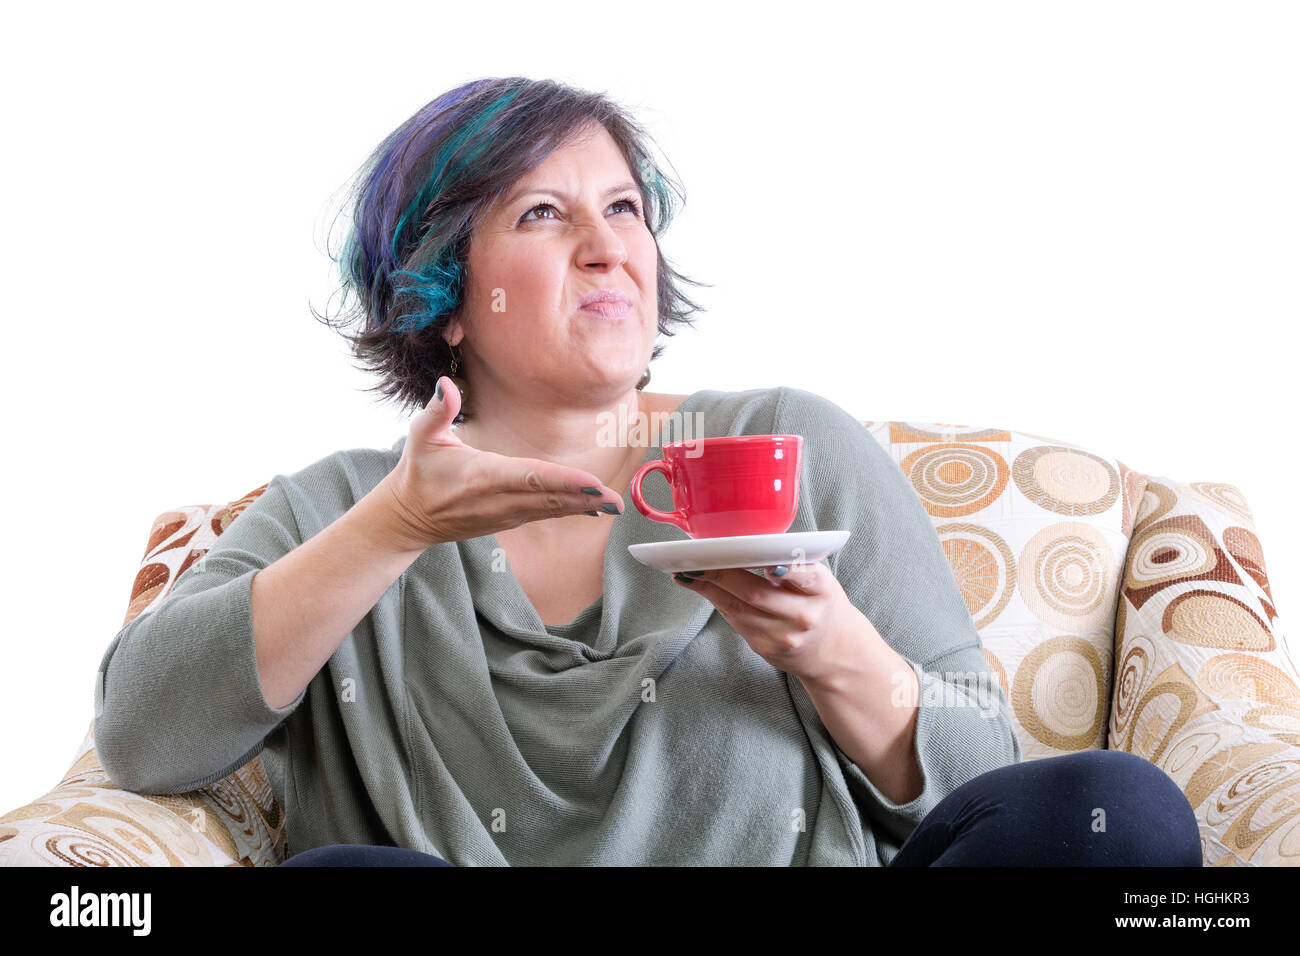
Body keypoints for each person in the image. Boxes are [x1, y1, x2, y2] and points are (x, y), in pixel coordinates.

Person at [94, 76, 1203, 867]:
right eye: (543, 213)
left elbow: (982, 772)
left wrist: (830, 644)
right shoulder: (337, 509)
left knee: (1118, 810)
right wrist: (389, 530)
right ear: (436, 291)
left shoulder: (793, 441)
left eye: (622, 208)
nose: (608, 245)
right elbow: (143, 732)